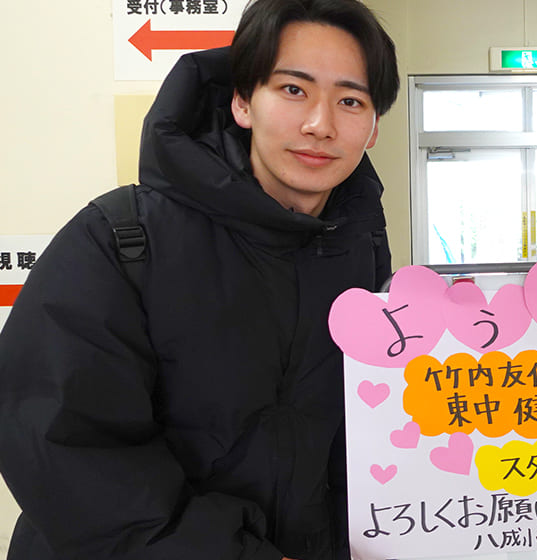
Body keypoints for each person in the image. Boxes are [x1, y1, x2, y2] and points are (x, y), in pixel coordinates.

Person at [0, 0, 398, 558]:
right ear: (243, 101)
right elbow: (66, 448)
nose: (320, 124)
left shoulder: (361, 251)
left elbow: (357, 440)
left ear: (373, 126)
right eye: (293, 90)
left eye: (350, 100)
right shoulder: (120, 239)